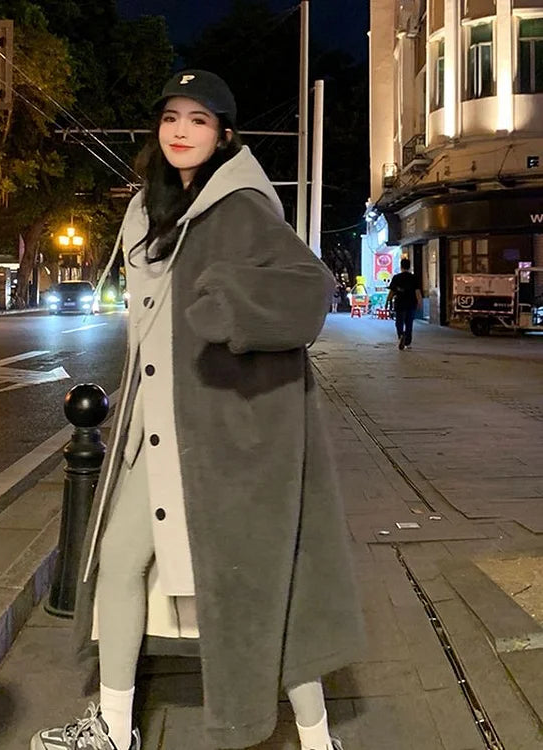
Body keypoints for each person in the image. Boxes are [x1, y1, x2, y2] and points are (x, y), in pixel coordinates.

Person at [31, 70, 363, 750]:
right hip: (151, 432)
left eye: (199, 120)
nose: (181, 131)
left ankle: (317, 739)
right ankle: (112, 728)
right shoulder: (148, 210)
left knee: (262, 584)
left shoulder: (239, 208)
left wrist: (233, 309)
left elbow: (308, 291)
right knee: (118, 560)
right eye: (171, 117)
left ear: (225, 135)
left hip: (224, 434)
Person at [386, 257, 422, 349]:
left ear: (401, 266)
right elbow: (417, 291)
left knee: (399, 321)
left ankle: (401, 335)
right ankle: (407, 342)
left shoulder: (396, 278)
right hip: (411, 303)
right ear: (409, 267)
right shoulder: (414, 278)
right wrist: (419, 302)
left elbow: (392, 291)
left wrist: (388, 301)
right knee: (409, 323)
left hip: (400, 303)